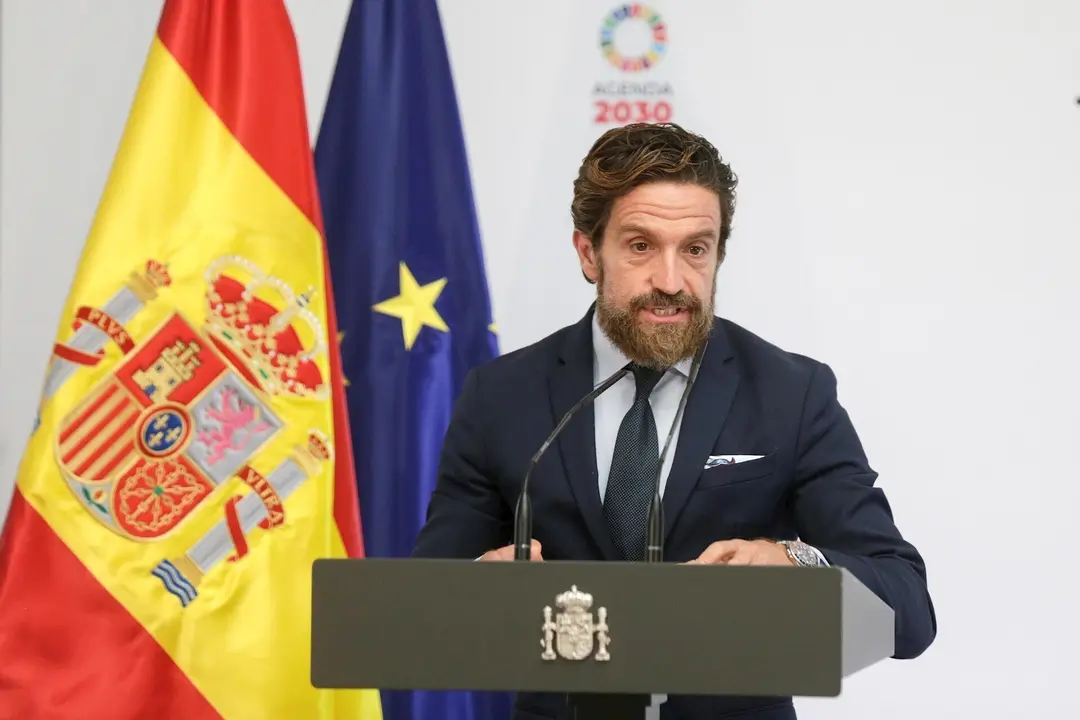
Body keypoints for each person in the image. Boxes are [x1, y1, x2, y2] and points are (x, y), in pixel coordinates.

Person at [411, 122, 936, 719]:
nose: (670, 281)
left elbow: (908, 609)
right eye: (640, 246)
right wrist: (476, 585)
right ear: (589, 253)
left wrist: (798, 564)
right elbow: (425, 605)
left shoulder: (793, 393)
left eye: (695, 249)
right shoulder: (501, 395)